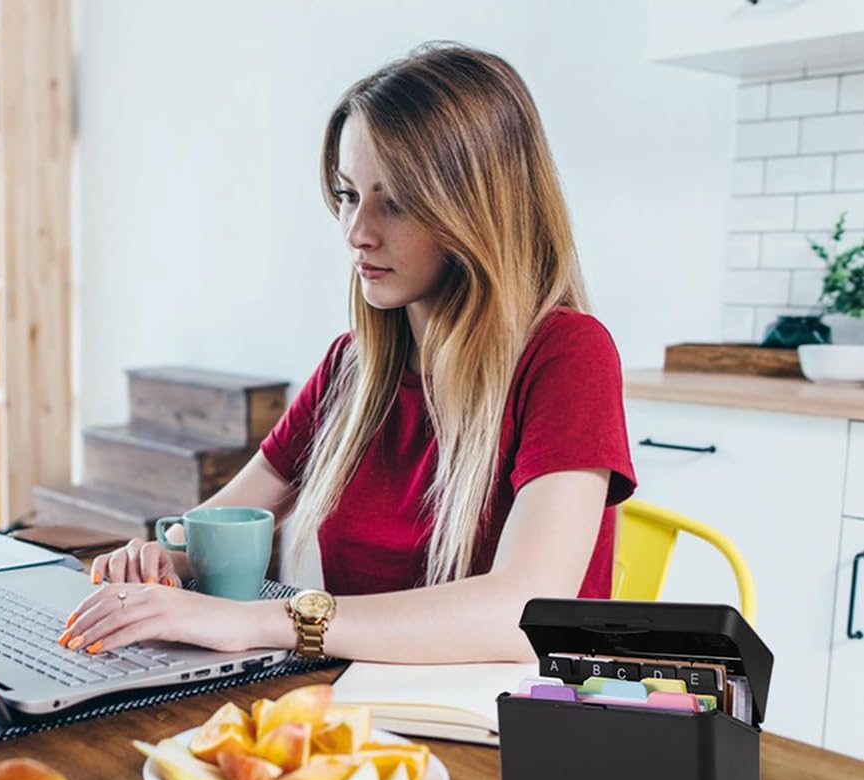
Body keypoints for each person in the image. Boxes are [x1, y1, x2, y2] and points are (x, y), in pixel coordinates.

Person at [61, 42, 636, 665]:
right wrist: (159, 556)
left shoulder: (568, 355)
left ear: (479, 207)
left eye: (397, 201)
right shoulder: (352, 367)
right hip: (361, 704)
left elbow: (523, 615)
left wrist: (261, 622)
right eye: (347, 193)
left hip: (504, 728)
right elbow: (218, 522)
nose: (357, 232)